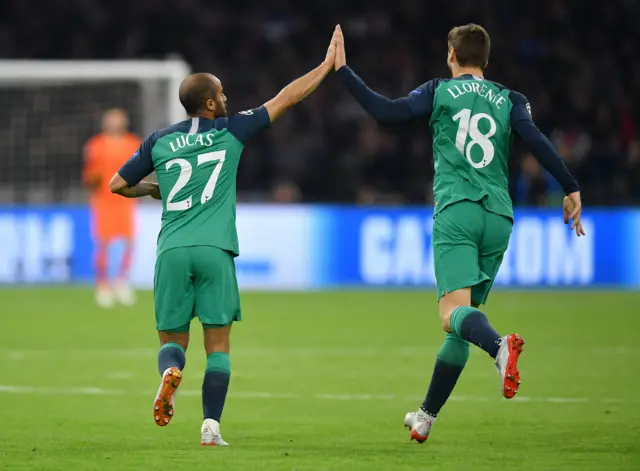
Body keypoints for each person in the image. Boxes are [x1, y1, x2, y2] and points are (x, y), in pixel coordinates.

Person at [333, 23, 585, 443]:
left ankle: (500, 347)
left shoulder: (438, 90)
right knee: (465, 320)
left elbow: (385, 112)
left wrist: (344, 70)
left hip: (457, 210)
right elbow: (536, 140)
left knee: (452, 314)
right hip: (499, 217)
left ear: (452, 54)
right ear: (486, 60)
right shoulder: (510, 99)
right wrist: (570, 184)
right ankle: (426, 416)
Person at [108, 27, 340, 446]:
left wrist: (155, 189)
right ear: (211, 103)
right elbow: (286, 97)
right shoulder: (232, 130)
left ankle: (168, 373)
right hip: (215, 250)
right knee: (218, 348)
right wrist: (325, 67)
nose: (228, 99)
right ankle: (211, 428)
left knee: (172, 341)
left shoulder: (159, 140)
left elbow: (117, 185)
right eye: (223, 94)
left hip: (172, 250)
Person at [83, 108, 141, 308]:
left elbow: (140, 169)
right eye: (111, 120)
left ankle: (121, 282)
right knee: (104, 243)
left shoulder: (133, 143)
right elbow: (90, 174)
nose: (115, 123)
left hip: (125, 200)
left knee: (129, 241)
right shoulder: (95, 145)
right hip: (104, 200)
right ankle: (102, 286)